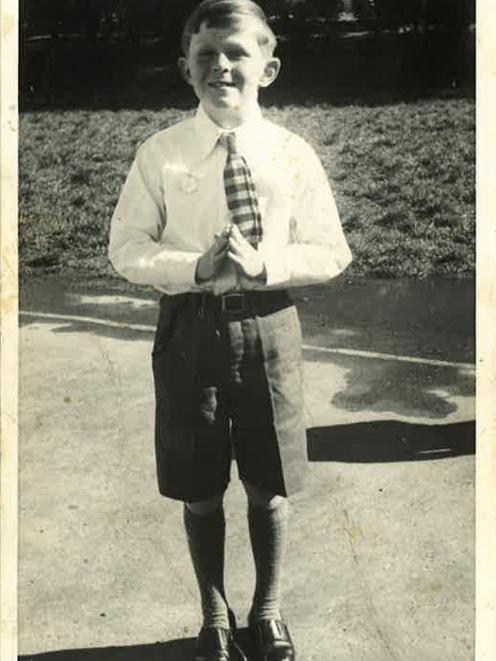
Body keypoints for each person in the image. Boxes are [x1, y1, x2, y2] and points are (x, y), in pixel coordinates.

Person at [108, 1, 352, 659]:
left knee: (270, 483)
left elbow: (331, 250)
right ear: (186, 71)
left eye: (236, 53)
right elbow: (125, 247)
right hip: (191, 328)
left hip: (270, 326)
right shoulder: (161, 154)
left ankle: (267, 610)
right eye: (206, 54)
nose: (221, 65)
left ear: (267, 68)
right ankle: (213, 612)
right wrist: (194, 265)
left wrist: (264, 264)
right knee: (199, 483)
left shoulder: (290, 154)